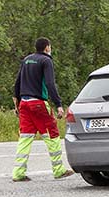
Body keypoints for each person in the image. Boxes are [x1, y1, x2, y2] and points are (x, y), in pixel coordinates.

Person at [12, 37, 74, 181]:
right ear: (47, 48)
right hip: (39, 103)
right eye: (50, 47)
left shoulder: (26, 60)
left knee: (25, 137)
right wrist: (58, 104)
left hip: (24, 104)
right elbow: (50, 83)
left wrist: (17, 104)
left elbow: (17, 83)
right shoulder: (46, 61)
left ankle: (18, 173)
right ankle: (58, 170)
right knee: (52, 134)